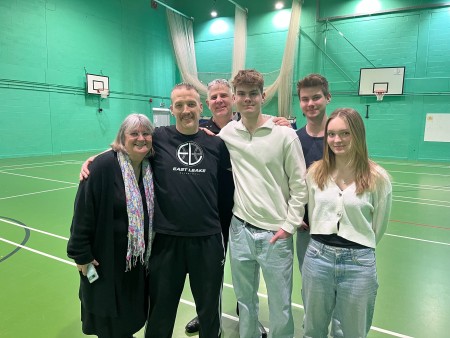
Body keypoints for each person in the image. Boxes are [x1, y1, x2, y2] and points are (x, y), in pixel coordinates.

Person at [219, 69, 308, 338]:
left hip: (275, 235)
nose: (248, 99)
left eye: (253, 94)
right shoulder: (228, 133)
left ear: (263, 96)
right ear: (235, 98)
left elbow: (299, 185)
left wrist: (289, 226)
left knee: (280, 304)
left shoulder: (284, 134)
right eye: (242, 94)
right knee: (245, 302)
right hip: (240, 230)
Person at [144, 83, 231, 338]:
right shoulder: (158, 137)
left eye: (191, 104)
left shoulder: (217, 144)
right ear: (172, 109)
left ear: (200, 107)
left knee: (209, 313)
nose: (186, 110)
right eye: (179, 105)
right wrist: (96, 158)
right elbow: (126, 145)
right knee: (160, 311)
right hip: (166, 240)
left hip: (208, 239)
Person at [184, 79, 268, 338]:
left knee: (248, 269)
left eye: (224, 95)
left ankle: (249, 316)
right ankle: (207, 313)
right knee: (211, 270)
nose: (219, 100)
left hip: (245, 211)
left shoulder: (249, 126)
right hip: (210, 214)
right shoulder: (197, 131)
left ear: (233, 99)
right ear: (206, 103)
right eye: (214, 97)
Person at [301, 108, 392, 338]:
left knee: (353, 332)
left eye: (345, 133)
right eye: (331, 134)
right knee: (313, 329)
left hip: (359, 264)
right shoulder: (315, 173)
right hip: (317, 259)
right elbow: (313, 214)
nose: (336, 140)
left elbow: (377, 228)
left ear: (357, 135)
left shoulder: (378, 178)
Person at [67, 113, 155, 338]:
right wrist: (81, 255)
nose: (141, 138)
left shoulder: (149, 167)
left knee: (128, 316)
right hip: (105, 259)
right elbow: (83, 212)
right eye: (134, 133)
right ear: (122, 138)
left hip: (134, 260)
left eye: (146, 133)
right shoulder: (103, 166)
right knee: (108, 319)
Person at [295, 73, 331, 271]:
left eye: (316, 97)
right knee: (310, 287)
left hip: (338, 227)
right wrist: (295, 214)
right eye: (305, 99)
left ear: (328, 97)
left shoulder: (342, 138)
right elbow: (288, 180)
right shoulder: (294, 139)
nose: (310, 103)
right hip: (307, 229)